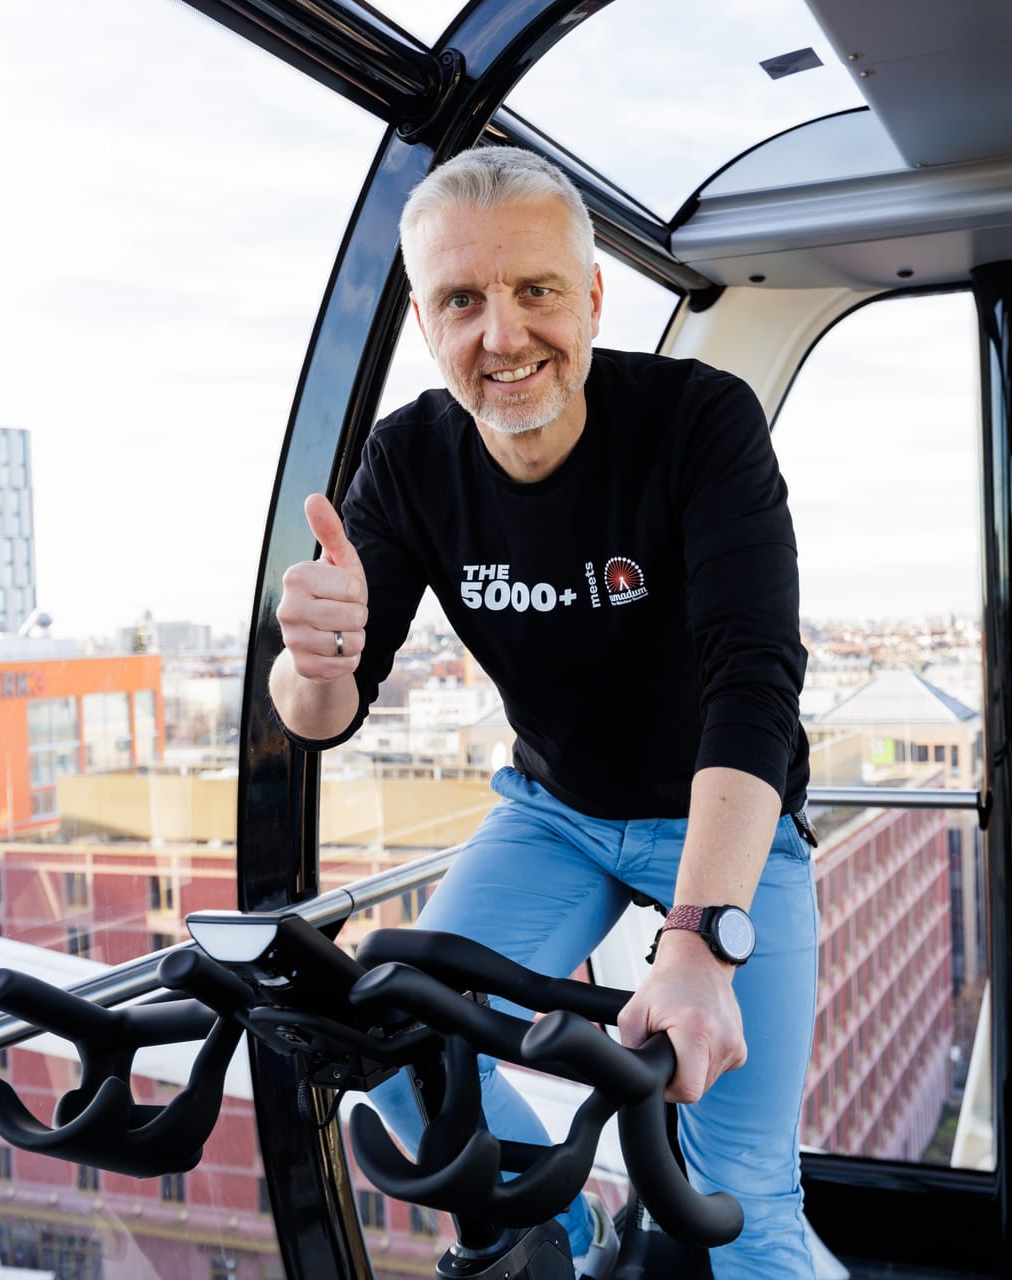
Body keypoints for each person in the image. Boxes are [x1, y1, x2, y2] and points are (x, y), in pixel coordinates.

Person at [269, 144, 818, 1279]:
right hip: (554, 810)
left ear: (592, 297)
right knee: (400, 1047)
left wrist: (703, 937)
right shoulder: (411, 458)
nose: (503, 336)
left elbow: (753, 681)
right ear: (427, 319)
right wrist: (313, 659)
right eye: (464, 300)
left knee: (741, 1200)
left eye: (535, 292)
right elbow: (321, 712)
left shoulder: (696, 422)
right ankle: (560, 1238)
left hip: (717, 824)